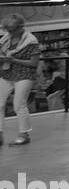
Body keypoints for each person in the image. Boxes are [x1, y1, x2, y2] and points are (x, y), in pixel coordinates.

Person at [0, 15, 41, 146]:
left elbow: (34, 63)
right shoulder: (6, 39)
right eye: (8, 30)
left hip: (25, 75)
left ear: (20, 28)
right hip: (7, 73)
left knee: (19, 104)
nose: (9, 33)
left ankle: (24, 134)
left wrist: (13, 60)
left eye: (12, 30)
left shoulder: (31, 41)